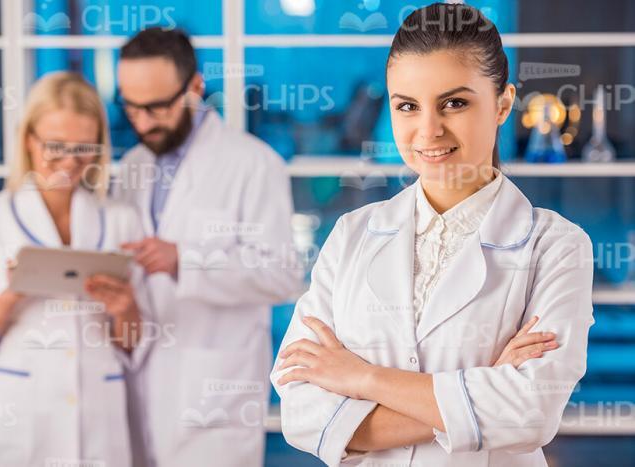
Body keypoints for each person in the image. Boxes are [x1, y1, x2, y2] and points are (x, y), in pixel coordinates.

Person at [271, 3, 594, 467]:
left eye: (455, 103)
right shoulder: (352, 235)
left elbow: (529, 412)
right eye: (407, 106)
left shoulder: (557, 247)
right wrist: (482, 386)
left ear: (503, 103)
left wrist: (361, 379)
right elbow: (302, 413)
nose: (428, 130)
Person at [111, 28, 303, 467]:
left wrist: (185, 260)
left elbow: (282, 275)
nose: (142, 121)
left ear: (195, 87)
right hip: (139, 377)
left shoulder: (252, 164)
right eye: (131, 106)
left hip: (216, 392)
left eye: (157, 106)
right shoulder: (130, 168)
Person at [0, 72, 150, 467]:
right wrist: (14, 291)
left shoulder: (121, 221)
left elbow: (135, 346)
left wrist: (126, 310)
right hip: (16, 419)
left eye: (83, 148)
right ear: (28, 141)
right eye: (56, 147)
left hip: (100, 417)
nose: (70, 163)